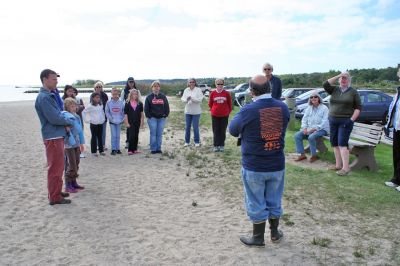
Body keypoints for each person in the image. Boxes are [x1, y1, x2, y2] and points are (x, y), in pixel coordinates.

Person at [229, 75, 290, 247]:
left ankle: (258, 237)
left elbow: (233, 130)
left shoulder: (248, 110)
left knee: (256, 201)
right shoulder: (283, 107)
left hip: (255, 165)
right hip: (277, 163)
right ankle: (275, 233)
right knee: (274, 199)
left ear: (252, 91)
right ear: (270, 88)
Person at [35, 69, 72, 205]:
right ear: (45, 80)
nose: (56, 81)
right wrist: (69, 120)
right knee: (55, 167)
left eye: (56, 79)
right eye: (53, 79)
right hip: (53, 136)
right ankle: (55, 197)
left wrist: (64, 119)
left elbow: (58, 114)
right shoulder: (44, 97)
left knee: (59, 166)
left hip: (55, 135)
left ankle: (56, 191)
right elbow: (54, 118)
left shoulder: (48, 95)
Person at [323, 71, 361, 176]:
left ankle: (346, 168)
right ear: (339, 80)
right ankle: (338, 165)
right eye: (342, 78)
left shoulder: (353, 92)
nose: (344, 80)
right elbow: (325, 84)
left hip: (345, 122)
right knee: (334, 143)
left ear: (349, 80)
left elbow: (358, 108)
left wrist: (351, 120)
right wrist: (339, 75)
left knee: (342, 144)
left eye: (346, 78)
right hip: (333, 120)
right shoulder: (334, 89)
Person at [294, 90, 329, 162]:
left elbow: (325, 122)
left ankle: (314, 155)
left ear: (319, 98)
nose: (313, 98)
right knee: (297, 135)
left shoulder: (324, 108)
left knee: (311, 137)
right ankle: (302, 155)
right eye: (311, 97)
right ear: (309, 99)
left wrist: (313, 129)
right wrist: (304, 128)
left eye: (315, 96)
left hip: (322, 129)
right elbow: (304, 119)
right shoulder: (309, 107)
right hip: (309, 128)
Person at [62, 98, 85, 193]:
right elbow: (66, 130)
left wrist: (81, 143)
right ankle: (68, 185)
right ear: (67, 107)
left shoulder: (77, 117)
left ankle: (74, 182)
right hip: (69, 144)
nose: (74, 107)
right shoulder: (65, 116)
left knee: (77, 162)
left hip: (76, 143)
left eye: (75, 105)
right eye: (71, 106)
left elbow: (80, 131)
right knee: (71, 165)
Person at [384, 65, 400, 192]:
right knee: (397, 154)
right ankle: (396, 180)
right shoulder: (397, 93)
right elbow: (392, 110)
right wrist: (387, 125)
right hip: (397, 128)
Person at [144, 80, 170, 154]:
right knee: (153, 134)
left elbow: (166, 106)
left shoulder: (163, 96)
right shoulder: (149, 97)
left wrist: (166, 114)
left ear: (159, 88)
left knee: (159, 134)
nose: (156, 88)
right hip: (152, 118)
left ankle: (158, 148)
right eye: (154, 86)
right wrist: (149, 116)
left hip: (161, 118)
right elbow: (146, 108)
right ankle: (153, 149)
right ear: (152, 88)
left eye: (157, 86)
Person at [208, 78, 232, 152]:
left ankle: (221, 145)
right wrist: (213, 110)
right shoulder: (212, 93)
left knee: (222, 130)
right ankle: (216, 145)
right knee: (215, 130)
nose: (220, 85)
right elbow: (210, 104)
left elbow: (230, 104)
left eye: (221, 84)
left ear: (223, 84)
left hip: (224, 115)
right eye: (218, 84)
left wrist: (227, 111)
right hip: (215, 115)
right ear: (216, 84)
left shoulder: (226, 93)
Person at [181, 78, 204, 147]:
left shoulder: (198, 90)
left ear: (195, 83)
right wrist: (186, 99)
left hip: (196, 112)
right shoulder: (186, 90)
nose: (191, 83)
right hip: (188, 111)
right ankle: (187, 142)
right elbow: (182, 99)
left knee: (195, 127)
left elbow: (200, 100)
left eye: (193, 82)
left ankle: (196, 142)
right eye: (190, 82)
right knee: (187, 127)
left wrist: (192, 99)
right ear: (188, 83)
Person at [83, 92, 106, 156]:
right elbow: (84, 112)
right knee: (94, 137)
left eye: (99, 97)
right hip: (93, 124)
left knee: (100, 137)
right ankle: (94, 151)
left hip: (100, 123)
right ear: (93, 98)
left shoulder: (100, 105)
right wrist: (87, 120)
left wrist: (103, 119)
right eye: (96, 97)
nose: (98, 99)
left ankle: (101, 151)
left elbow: (102, 112)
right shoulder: (90, 106)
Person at [124, 89, 144, 155]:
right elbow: (125, 114)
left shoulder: (140, 103)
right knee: (131, 136)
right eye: (133, 94)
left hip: (137, 122)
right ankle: (130, 150)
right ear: (131, 95)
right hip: (130, 122)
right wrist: (126, 122)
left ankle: (135, 149)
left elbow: (141, 114)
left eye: (136, 94)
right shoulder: (127, 103)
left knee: (136, 135)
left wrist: (142, 122)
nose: (135, 95)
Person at [105, 87, 125, 155]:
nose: (115, 95)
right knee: (113, 135)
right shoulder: (109, 102)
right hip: (112, 122)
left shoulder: (121, 102)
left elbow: (123, 111)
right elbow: (107, 112)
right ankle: (113, 149)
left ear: (118, 94)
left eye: (116, 94)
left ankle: (118, 149)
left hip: (119, 121)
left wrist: (122, 119)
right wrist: (111, 119)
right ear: (111, 94)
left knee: (118, 136)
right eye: (113, 94)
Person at [120, 77, 137, 148]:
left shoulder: (137, 91)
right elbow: (121, 101)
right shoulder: (124, 91)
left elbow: (140, 100)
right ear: (127, 82)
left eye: (132, 82)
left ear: (134, 82)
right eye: (130, 82)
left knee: (135, 127)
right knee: (128, 127)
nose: (131, 83)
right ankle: (128, 141)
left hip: (136, 111)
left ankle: (134, 142)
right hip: (128, 112)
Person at [93, 81, 109, 150]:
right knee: (96, 131)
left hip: (103, 115)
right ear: (95, 88)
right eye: (97, 87)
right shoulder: (92, 95)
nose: (98, 88)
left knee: (103, 131)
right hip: (95, 116)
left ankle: (103, 144)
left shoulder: (105, 95)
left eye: (100, 87)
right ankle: (97, 145)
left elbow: (107, 105)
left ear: (102, 88)